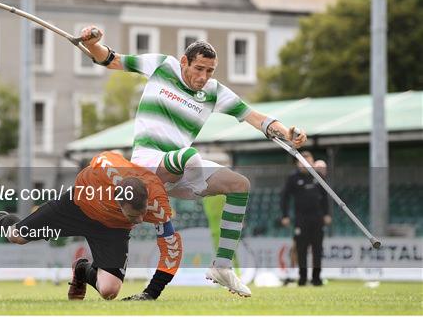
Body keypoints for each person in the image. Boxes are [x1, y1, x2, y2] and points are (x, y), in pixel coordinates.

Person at [78, 26, 308, 296]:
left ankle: (223, 266)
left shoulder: (213, 91)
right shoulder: (163, 66)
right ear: (184, 61)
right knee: (190, 157)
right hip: (148, 162)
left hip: (182, 166)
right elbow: (110, 59)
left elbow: (255, 117)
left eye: (210, 71)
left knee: (239, 184)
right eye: (199, 69)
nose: (203, 77)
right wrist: (93, 44)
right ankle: (149, 204)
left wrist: (287, 133)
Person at [0, 151, 182, 301]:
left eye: (142, 213)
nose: (140, 220)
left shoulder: (157, 204)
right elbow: (98, 162)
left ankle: (81, 269)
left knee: (109, 290)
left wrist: (152, 293)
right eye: (134, 216)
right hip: (75, 208)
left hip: (112, 228)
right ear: (117, 201)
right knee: (16, 236)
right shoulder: (105, 170)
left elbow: (171, 248)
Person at [280, 151, 331, 286]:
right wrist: (285, 215)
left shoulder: (318, 177)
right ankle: (302, 278)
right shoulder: (293, 178)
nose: (305, 164)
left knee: (317, 249)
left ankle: (316, 278)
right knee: (301, 249)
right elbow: (284, 197)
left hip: (317, 218)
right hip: (301, 219)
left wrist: (327, 214)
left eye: (308, 161)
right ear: (298, 163)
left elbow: (325, 197)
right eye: (302, 161)